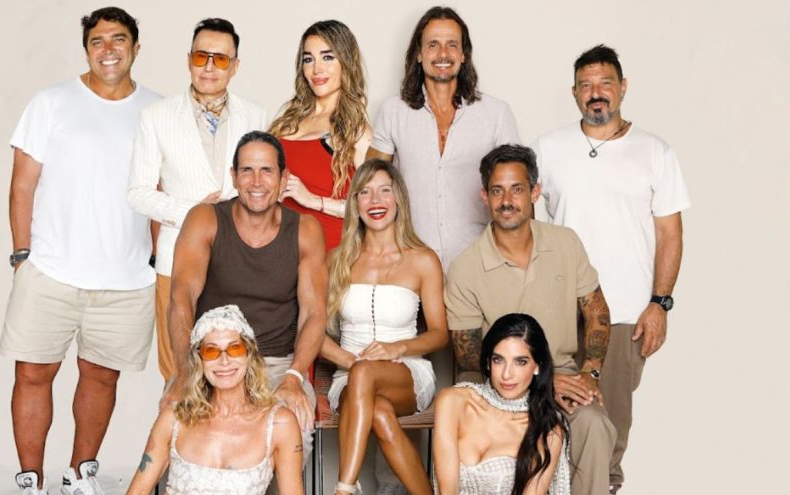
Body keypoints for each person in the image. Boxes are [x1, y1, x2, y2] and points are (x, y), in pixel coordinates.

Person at [0, 7, 160, 495]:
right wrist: (22, 255)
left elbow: (162, 193)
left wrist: (156, 262)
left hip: (126, 277)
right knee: (33, 372)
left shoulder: (157, 111)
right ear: (86, 50)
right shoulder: (52, 102)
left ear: (136, 46)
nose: (108, 49)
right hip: (51, 269)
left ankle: (79, 473)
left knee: (101, 377)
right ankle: (31, 480)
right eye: (97, 41)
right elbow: (22, 185)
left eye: (118, 39)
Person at [533, 44, 690, 494]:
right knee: (550, 417)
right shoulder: (548, 148)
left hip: (624, 312)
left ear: (623, 87)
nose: (595, 93)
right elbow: (528, 223)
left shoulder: (655, 151)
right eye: (585, 85)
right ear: (574, 93)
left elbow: (670, 234)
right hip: (559, 313)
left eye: (605, 83)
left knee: (610, 423)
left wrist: (659, 304)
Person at [445, 144, 616, 495]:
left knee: (594, 424)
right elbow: (470, 358)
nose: (507, 200)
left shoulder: (566, 243)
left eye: (517, 189)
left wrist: (590, 373)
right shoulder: (465, 268)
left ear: (535, 192)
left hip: (564, 376)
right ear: (484, 196)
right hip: (499, 385)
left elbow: (597, 312)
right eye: (497, 191)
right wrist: (538, 382)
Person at [165, 131, 327, 462]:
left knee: (292, 436)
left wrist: (295, 376)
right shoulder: (205, 219)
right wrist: (185, 372)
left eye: (267, 171)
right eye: (247, 171)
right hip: (214, 360)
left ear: (283, 178)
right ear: (234, 177)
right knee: (182, 434)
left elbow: (314, 313)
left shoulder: (305, 230)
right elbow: (182, 298)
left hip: (277, 365)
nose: (256, 181)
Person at [128, 17, 267, 382]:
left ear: (235, 66)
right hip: (177, 259)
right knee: (178, 371)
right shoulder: (156, 116)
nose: (209, 67)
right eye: (201, 56)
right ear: (188, 59)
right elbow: (138, 193)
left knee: (236, 368)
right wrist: (197, 213)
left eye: (220, 59)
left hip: (239, 260)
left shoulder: (256, 115)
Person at [320, 160, 449, 495]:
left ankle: (344, 488)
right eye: (365, 192)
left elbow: (439, 333)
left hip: (406, 373)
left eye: (384, 191)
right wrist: (354, 363)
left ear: (398, 199)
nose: (375, 200)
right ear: (355, 203)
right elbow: (313, 333)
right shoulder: (336, 260)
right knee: (378, 412)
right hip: (348, 376)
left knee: (367, 377)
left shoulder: (423, 260)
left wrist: (397, 348)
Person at [367, 5, 519, 270]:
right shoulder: (393, 112)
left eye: (452, 45)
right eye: (433, 45)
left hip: (481, 264)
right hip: (410, 261)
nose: (443, 54)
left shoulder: (496, 113)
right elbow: (370, 185)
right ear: (419, 53)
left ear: (463, 54)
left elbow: (519, 189)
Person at [126, 305, 303, 494]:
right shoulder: (174, 417)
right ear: (199, 360)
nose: (224, 361)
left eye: (234, 348)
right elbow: (138, 491)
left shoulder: (280, 424)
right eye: (211, 351)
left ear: (249, 354)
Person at [434, 313, 570, 494]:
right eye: (498, 360)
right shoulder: (453, 401)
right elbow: (447, 490)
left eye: (520, 362)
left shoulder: (548, 431)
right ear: (488, 362)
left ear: (537, 366)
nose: (506, 374)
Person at [269, 19, 372, 250]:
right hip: (279, 251)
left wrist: (312, 200)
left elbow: (374, 205)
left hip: (329, 254)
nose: (317, 69)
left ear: (347, 61)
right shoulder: (284, 123)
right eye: (308, 59)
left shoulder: (357, 132)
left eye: (328, 57)